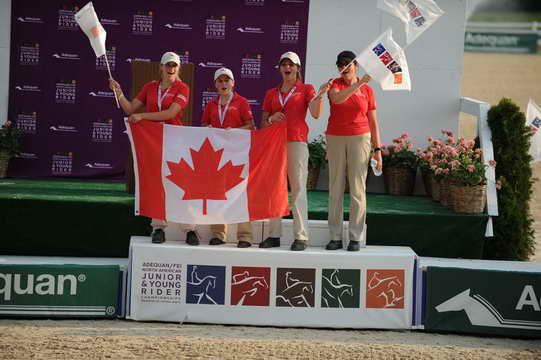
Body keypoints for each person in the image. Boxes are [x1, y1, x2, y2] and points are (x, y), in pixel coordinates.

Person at [109, 51, 199, 245]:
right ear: (161, 67)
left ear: (178, 68)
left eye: (174, 65)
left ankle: (190, 229)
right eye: (167, 65)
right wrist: (119, 92)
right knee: (157, 183)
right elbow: (131, 108)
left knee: (182, 183)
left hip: (176, 139)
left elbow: (171, 113)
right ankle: (158, 227)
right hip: (154, 141)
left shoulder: (183, 88)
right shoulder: (150, 87)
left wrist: (143, 117)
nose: (171, 69)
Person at [260, 51, 331, 251]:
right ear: (280, 68)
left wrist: (320, 94)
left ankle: (301, 236)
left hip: (296, 142)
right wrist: (272, 119)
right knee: (274, 188)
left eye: (291, 64)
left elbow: (316, 114)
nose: (287, 67)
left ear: (298, 68)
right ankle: (273, 235)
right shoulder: (271, 93)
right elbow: (263, 123)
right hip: (274, 144)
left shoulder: (306, 89)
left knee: (298, 188)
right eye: (284, 64)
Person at [325, 50, 383, 252]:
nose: (343, 68)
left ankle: (356, 237)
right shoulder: (334, 84)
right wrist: (359, 83)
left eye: (347, 64)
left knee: (358, 188)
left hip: (360, 137)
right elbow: (338, 99)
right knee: (336, 187)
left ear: (356, 65)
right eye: (340, 65)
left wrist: (377, 149)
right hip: (335, 137)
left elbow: (373, 121)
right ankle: (335, 236)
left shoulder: (368, 91)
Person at [201, 67, 255, 248]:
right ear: (215, 84)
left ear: (233, 82)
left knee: (240, 193)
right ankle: (218, 233)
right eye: (220, 81)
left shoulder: (242, 102)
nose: (224, 84)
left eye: (227, 80)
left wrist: (234, 131)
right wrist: (208, 128)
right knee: (217, 192)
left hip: (238, 154)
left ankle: (245, 236)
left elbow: (250, 126)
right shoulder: (210, 105)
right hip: (217, 155)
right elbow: (203, 126)